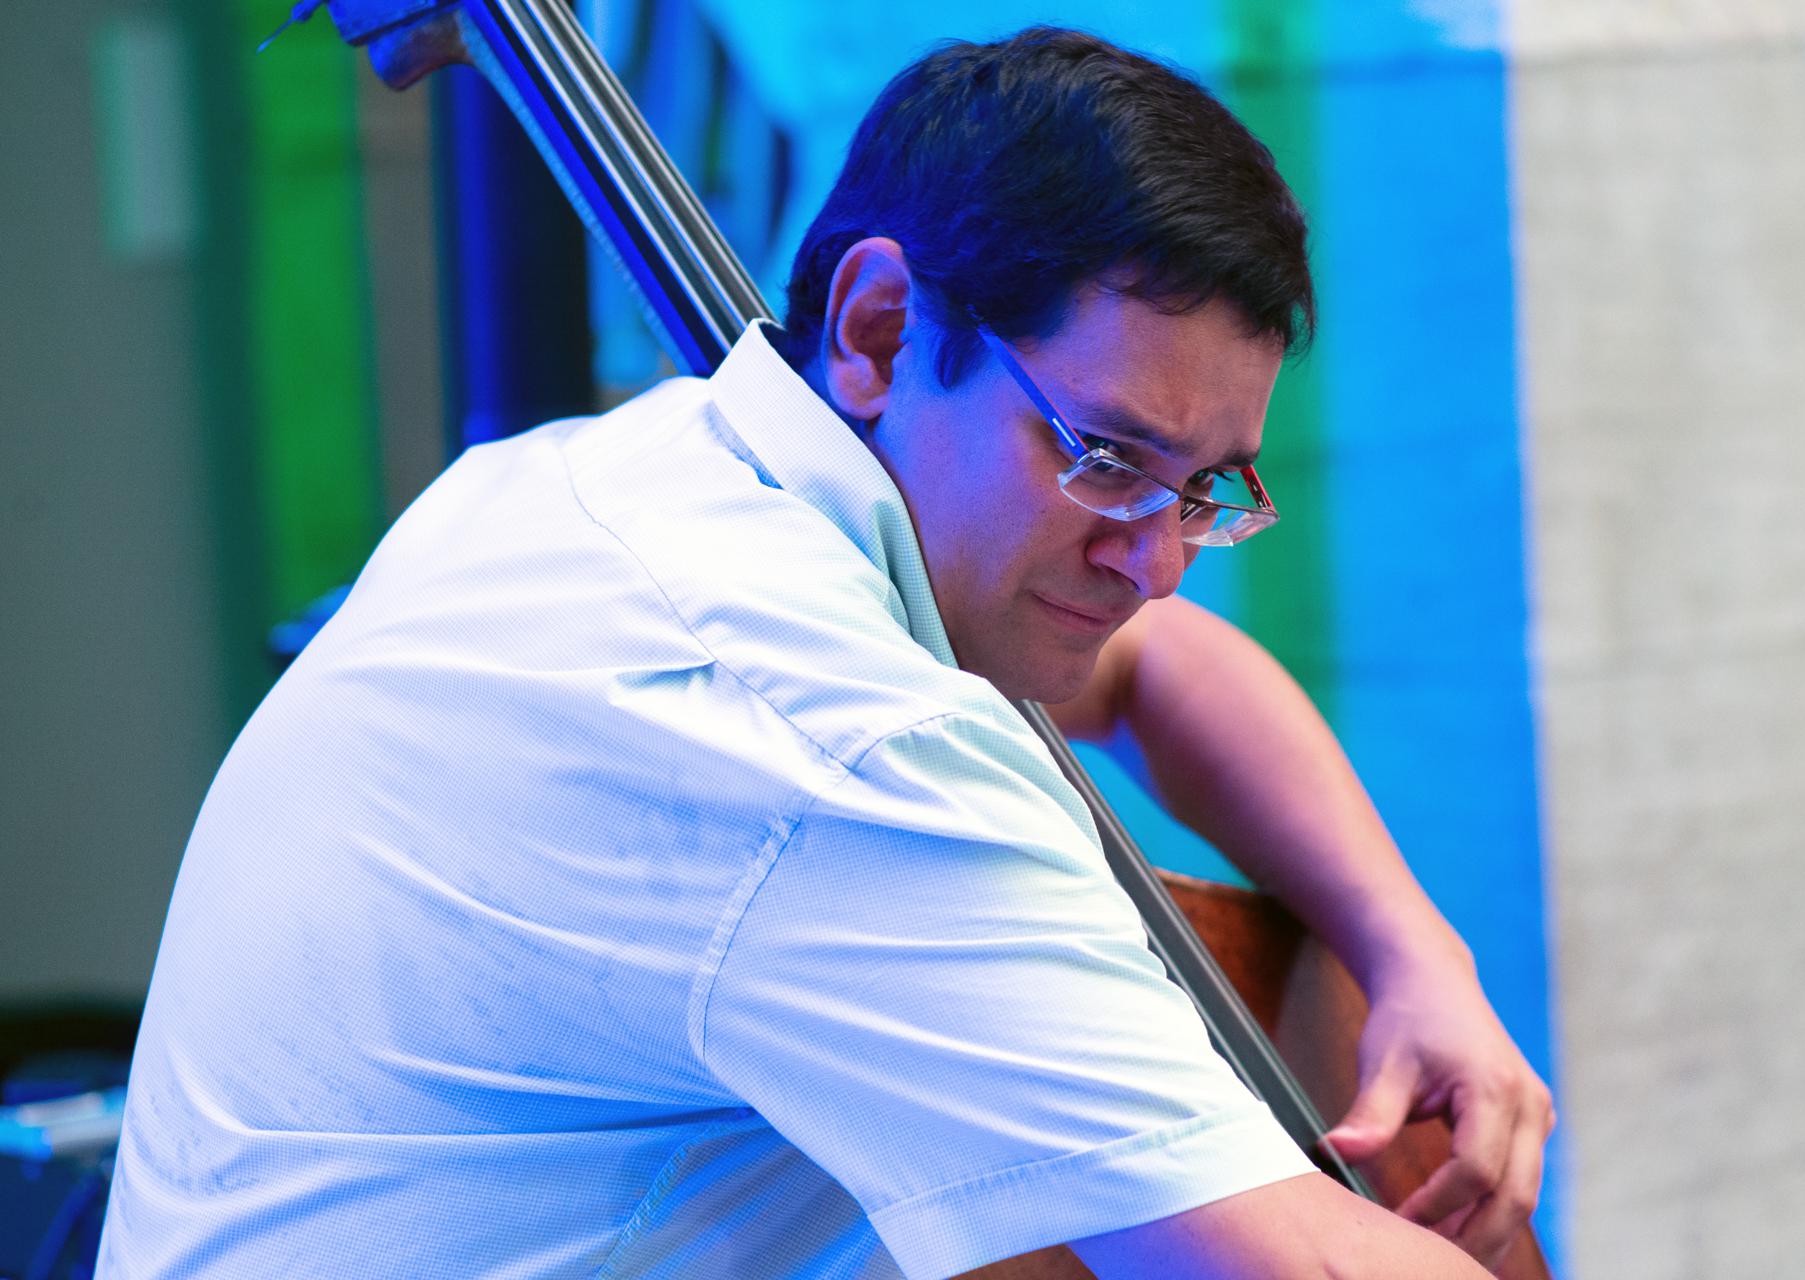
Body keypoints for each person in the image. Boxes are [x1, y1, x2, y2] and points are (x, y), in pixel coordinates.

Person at [97, 25, 1551, 1280]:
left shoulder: (620, 478)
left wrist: (1414, 952)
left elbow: (1159, 665)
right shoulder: (821, 735)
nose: (1157, 556)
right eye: (1109, 459)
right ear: (880, 327)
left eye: (1207, 488)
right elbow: (1292, 1260)